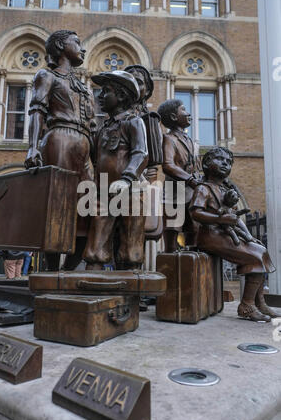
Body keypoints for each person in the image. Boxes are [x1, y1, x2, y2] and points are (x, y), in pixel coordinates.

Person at [25, 30, 96, 271]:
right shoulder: (47, 75)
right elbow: (37, 110)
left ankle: (67, 273)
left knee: (88, 208)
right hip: (59, 139)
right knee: (58, 205)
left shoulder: (84, 87)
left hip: (84, 145)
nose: (82, 47)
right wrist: (33, 147)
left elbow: (94, 124)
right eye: (77, 42)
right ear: (59, 45)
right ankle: (52, 271)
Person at [189, 147, 278, 322]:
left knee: (260, 249)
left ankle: (258, 302)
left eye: (228, 162)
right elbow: (196, 213)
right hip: (210, 236)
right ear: (207, 164)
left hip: (223, 234)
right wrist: (220, 219)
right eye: (220, 160)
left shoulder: (223, 190)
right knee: (254, 256)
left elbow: (235, 218)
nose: (225, 164)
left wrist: (249, 237)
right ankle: (246, 305)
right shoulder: (203, 188)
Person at [83, 70, 148, 270]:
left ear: (120, 95)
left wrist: (127, 178)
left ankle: (131, 293)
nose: (100, 96)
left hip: (130, 193)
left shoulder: (133, 122)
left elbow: (141, 154)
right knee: (96, 247)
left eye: (106, 92)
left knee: (131, 246)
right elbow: (95, 159)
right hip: (103, 192)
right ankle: (93, 282)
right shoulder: (103, 127)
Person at [157, 98, 201, 251]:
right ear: (174, 117)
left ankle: (193, 264)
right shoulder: (169, 139)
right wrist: (189, 180)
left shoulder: (189, 139)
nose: (188, 113)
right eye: (183, 110)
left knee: (195, 231)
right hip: (174, 194)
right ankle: (170, 268)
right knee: (172, 234)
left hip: (191, 193)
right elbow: (168, 165)